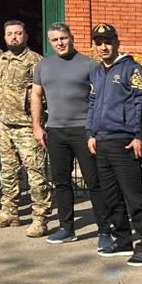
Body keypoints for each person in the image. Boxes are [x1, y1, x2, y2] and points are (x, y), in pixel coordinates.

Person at [86, 23, 142, 264]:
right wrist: (90, 132)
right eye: (98, 42)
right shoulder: (96, 71)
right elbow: (92, 103)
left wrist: (138, 135)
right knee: (111, 196)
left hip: (124, 142)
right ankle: (123, 239)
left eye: (107, 42)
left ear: (117, 42)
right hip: (101, 141)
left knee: (133, 196)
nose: (103, 47)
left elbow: (140, 102)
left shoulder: (131, 69)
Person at [31, 22, 104, 245]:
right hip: (55, 131)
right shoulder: (43, 66)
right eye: (55, 40)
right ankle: (66, 228)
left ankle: (105, 231)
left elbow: (101, 98)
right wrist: (37, 125)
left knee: (94, 181)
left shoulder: (90, 65)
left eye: (63, 38)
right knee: (61, 182)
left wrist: (96, 130)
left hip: (83, 130)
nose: (60, 43)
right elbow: (36, 95)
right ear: (50, 42)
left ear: (71, 37)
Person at [0, 21, 49, 235]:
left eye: (18, 33)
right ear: (5, 37)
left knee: (36, 174)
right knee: (7, 171)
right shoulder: (1, 59)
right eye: (9, 34)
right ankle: (10, 212)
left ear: (26, 36)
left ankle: (40, 218)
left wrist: (39, 124)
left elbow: (43, 95)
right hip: (5, 125)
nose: (13, 37)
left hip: (27, 126)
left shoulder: (36, 61)